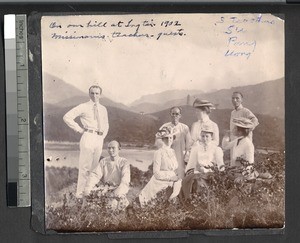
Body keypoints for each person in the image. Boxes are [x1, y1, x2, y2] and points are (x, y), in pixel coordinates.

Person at [63, 85, 109, 198]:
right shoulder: (83, 106)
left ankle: (89, 193)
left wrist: (102, 137)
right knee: (85, 168)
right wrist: (79, 129)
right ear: (89, 94)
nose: (94, 95)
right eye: (92, 93)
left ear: (100, 95)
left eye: (97, 93)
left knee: (94, 168)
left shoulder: (103, 109)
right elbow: (67, 117)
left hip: (99, 139)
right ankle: (79, 195)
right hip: (88, 136)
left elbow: (106, 124)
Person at [179, 124, 225, 203]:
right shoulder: (196, 149)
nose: (204, 139)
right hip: (199, 172)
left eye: (207, 136)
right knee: (189, 180)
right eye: (203, 136)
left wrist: (210, 171)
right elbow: (191, 163)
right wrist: (189, 172)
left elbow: (221, 166)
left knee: (198, 181)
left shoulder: (216, 149)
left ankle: (203, 201)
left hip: (211, 174)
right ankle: (190, 201)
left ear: (211, 137)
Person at [139, 127, 182, 206]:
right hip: (161, 180)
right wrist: (170, 178)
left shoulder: (172, 151)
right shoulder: (158, 153)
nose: (169, 140)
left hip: (173, 178)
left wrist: (175, 176)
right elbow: (156, 173)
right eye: (166, 138)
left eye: (170, 138)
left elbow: (174, 168)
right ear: (162, 139)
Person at [84, 140, 130, 210]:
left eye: (113, 148)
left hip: (117, 189)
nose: (111, 150)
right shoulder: (104, 161)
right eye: (109, 148)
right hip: (105, 188)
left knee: (114, 205)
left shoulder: (124, 162)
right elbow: (95, 175)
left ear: (119, 149)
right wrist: (88, 188)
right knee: (88, 199)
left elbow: (125, 179)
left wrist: (118, 192)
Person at [159, 106, 192, 179]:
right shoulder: (164, 126)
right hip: (168, 156)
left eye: (176, 114)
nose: (174, 116)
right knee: (168, 177)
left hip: (180, 156)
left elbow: (188, 143)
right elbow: (158, 140)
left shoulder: (185, 128)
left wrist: (186, 156)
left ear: (180, 115)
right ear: (170, 114)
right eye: (173, 114)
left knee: (180, 177)